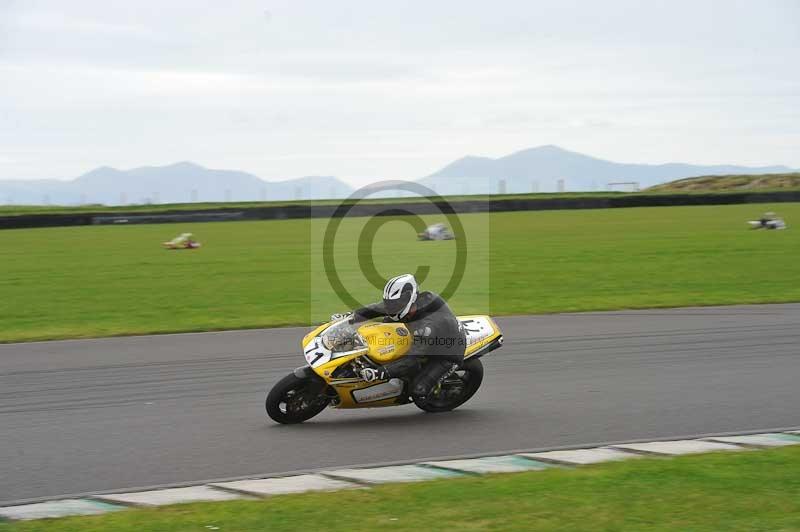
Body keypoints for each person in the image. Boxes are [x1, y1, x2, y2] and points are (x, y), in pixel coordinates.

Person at [349, 273, 466, 398]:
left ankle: (440, 387)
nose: (390, 307)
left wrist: (378, 373)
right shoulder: (407, 305)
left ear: (409, 299)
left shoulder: (425, 328)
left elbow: (412, 361)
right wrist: (351, 316)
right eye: (389, 303)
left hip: (447, 353)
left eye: (395, 304)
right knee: (384, 325)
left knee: (417, 390)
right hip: (429, 336)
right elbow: (377, 308)